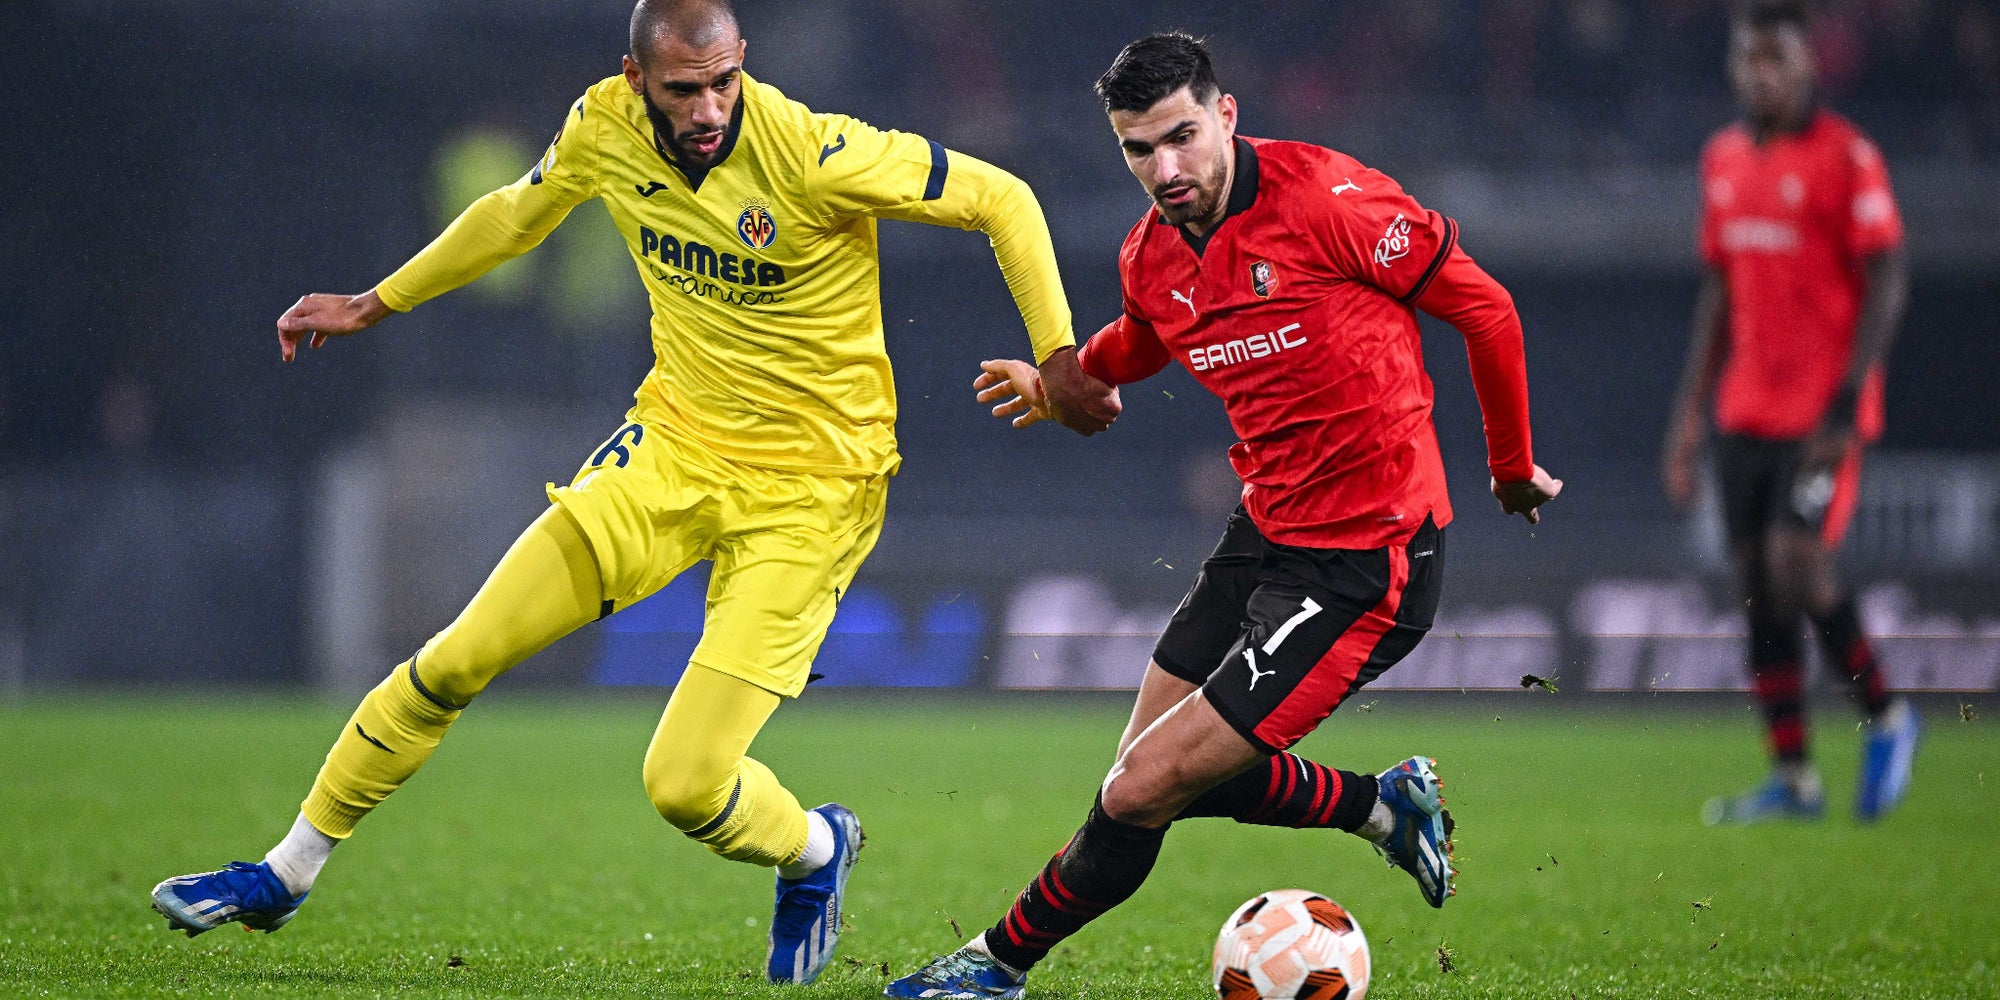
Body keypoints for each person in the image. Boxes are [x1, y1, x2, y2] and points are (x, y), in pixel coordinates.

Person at [147, 0, 1118, 984]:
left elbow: (1003, 197)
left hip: (813, 490)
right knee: (456, 658)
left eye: (724, 82)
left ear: (743, 64)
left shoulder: (813, 151)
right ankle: (286, 870)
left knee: (684, 784)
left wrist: (1059, 354)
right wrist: (376, 301)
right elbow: (515, 214)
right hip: (670, 452)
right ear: (635, 79)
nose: (708, 108)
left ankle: (816, 847)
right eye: (683, 89)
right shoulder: (603, 125)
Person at [886, 32, 1561, 999]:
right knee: (1142, 776)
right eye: (1138, 149)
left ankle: (993, 967)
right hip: (1265, 532)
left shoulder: (1333, 202)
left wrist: (1510, 469)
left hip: (1366, 564)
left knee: (1141, 788)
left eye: (1182, 137)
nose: (1165, 170)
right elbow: (1146, 336)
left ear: (1226, 115)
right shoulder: (1151, 252)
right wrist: (1067, 377)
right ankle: (1382, 806)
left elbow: (1486, 309)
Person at [1662, 0, 1920, 826]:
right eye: (1751, 59)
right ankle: (1794, 778)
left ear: (1808, 63)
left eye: (1777, 58)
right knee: (1753, 584)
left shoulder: (1848, 156)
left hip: (1820, 414)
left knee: (1796, 563)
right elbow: (1718, 291)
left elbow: (1887, 278)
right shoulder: (1723, 158)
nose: (1763, 74)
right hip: (1744, 408)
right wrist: (1688, 416)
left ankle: (1888, 716)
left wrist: (1848, 401)